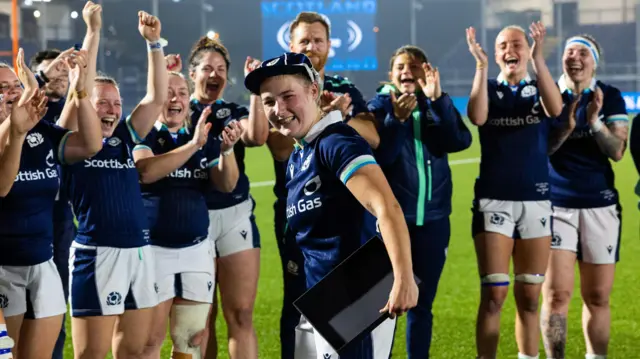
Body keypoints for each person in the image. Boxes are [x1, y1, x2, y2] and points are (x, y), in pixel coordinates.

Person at [245, 51, 418, 359]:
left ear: (314, 90)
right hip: (324, 300)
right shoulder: (300, 154)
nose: (278, 109)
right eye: (269, 101)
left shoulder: (336, 142)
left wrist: (404, 279)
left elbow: (386, 207)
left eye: (288, 96)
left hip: (356, 299)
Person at [265, 12, 378, 359]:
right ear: (291, 45)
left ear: (329, 46)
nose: (312, 47)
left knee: (352, 312)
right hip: (300, 216)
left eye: (318, 40)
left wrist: (334, 118)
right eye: (304, 41)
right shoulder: (281, 91)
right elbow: (281, 147)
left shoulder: (345, 90)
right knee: (298, 305)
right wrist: (320, 119)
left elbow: (373, 136)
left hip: (346, 221)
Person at [61, 10, 169, 359]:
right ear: (85, 105)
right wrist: (92, 32)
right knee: (91, 354)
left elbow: (155, 98)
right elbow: (83, 83)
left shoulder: (124, 137)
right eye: (102, 102)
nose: (112, 109)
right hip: (97, 255)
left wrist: (154, 44)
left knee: (134, 351)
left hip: (139, 250)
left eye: (117, 103)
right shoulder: (72, 141)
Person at [465, 22, 564, 359]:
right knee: (494, 295)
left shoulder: (540, 87)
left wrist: (539, 61)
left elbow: (557, 110)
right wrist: (480, 67)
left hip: (536, 201)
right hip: (494, 199)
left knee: (530, 297)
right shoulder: (488, 87)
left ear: (528, 49)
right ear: (495, 54)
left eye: (518, 43)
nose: (511, 50)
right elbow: (477, 117)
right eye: (504, 45)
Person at [367, 45, 472, 358]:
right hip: (391, 224)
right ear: (391, 74)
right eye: (400, 66)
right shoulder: (379, 105)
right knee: (379, 308)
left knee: (422, 306)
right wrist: (396, 121)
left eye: (414, 67)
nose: (406, 72)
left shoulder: (434, 103)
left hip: (434, 221)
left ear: (426, 72)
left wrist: (439, 100)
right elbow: (381, 157)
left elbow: (459, 141)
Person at [0, 46, 102, 358]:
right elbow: (3, 186)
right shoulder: (16, 131)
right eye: (2, 88)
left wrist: (81, 89)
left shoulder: (41, 131)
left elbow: (90, 144)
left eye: (15, 86)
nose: (11, 92)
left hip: (42, 264)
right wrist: (16, 133)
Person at [136, 68, 244, 359]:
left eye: (182, 93)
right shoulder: (142, 133)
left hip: (196, 250)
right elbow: (146, 172)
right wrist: (193, 145)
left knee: (192, 339)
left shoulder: (201, 138)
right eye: (169, 92)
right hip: (154, 250)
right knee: (150, 340)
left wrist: (228, 151)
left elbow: (227, 183)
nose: (176, 98)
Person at [541, 34, 628, 359]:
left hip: (600, 205)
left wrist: (593, 122)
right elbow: (543, 149)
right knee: (556, 296)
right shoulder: (550, 96)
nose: (574, 57)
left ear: (594, 61)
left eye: (582, 52)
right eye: (568, 52)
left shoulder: (611, 97)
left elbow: (617, 151)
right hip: (555, 206)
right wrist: (566, 124)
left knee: (598, 297)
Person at [184, 36, 268, 359]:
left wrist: (256, 90)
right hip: (194, 218)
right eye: (207, 68)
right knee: (199, 321)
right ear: (193, 74)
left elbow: (258, 136)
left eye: (221, 69)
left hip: (234, 217)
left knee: (241, 315)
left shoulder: (231, 111)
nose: (215, 74)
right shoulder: (179, 109)